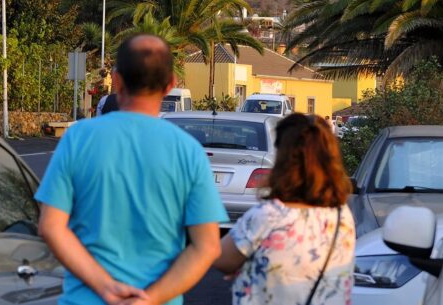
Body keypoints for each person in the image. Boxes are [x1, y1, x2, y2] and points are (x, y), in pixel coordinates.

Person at [36, 34, 227, 305]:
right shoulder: (189, 151)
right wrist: (149, 299)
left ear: (116, 81)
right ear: (171, 84)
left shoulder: (78, 138)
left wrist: (105, 288)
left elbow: (51, 227)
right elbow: (207, 246)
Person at [212, 113, 355, 305]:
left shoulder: (268, 217)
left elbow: (222, 259)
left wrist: (250, 269)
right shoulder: (342, 216)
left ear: (283, 158)